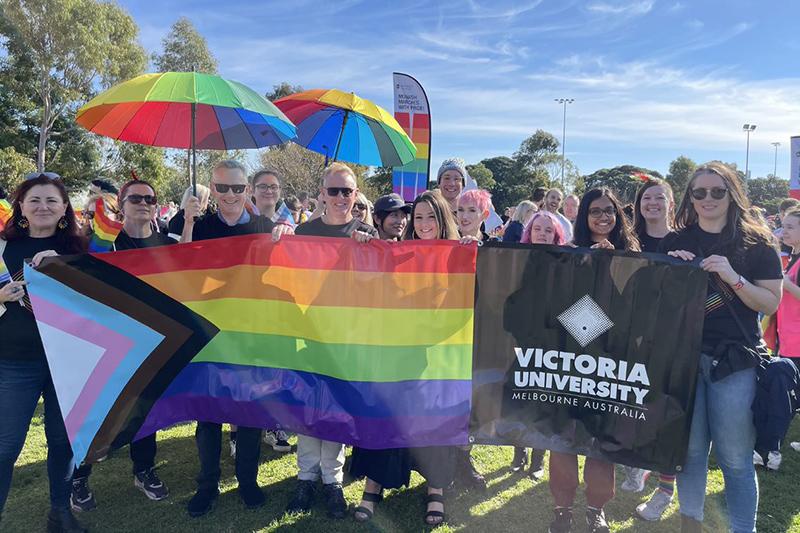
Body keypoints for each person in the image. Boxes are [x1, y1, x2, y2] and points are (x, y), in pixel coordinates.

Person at [660, 162, 782, 533]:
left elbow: (770, 303)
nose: (708, 198)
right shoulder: (676, 242)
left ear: (732, 195)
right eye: (700, 192)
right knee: (691, 454)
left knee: (735, 458)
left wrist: (733, 277)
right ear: (690, 198)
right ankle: (690, 525)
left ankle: (743, 529)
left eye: (718, 191)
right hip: (685, 359)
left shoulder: (757, 244)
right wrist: (667, 271)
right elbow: (656, 302)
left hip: (736, 361)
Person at [349, 190, 459, 527]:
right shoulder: (399, 252)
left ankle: (435, 491)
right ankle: (372, 487)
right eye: (419, 217)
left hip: (439, 351)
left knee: (434, 420)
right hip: (397, 351)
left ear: (443, 220)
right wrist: (364, 241)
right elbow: (370, 285)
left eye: (431, 217)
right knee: (387, 415)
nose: (424, 224)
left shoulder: (458, 254)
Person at [70, 180, 175, 513]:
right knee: (97, 412)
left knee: (144, 410)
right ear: (122, 203)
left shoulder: (166, 243)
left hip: (153, 340)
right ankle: (79, 476)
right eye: (136, 198)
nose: (143, 202)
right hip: (107, 341)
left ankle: (144, 470)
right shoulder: (104, 241)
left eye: (149, 198)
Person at [181, 160, 278, 517]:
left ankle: (247, 481)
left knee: (249, 412)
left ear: (247, 190)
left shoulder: (263, 226)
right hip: (210, 332)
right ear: (213, 188)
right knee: (208, 415)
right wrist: (188, 221)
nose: (231, 195)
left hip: (250, 333)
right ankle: (206, 485)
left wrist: (285, 231)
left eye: (238, 188)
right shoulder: (200, 225)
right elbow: (183, 265)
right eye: (223, 188)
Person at [281, 163, 378, 520]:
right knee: (308, 409)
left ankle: (332, 481)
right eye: (333, 191)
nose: (340, 198)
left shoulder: (366, 232)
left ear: (356, 195)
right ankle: (305, 477)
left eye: (347, 191)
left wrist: (370, 251)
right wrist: (281, 230)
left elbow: (378, 287)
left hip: (347, 338)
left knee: (334, 410)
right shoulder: (304, 232)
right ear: (321, 194)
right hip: (308, 333)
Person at [0, 173, 88, 533]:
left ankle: (60, 514)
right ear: (20, 206)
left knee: (62, 441)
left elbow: (97, 307)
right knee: (5, 446)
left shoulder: (79, 251)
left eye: (52, 200)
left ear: (65, 208)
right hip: (13, 363)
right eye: (34, 200)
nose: (43, 207)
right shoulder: (2, 250)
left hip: (66, 364)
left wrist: (65, 270)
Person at [548, 190, 639, 533]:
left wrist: (612, 265)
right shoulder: (571, 255)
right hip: (572, 359)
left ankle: (595, 509)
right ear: (583, 217)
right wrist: (586, 265)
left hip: (613, 362)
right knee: (564, 436)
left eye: (609, 211)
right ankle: (561, 509)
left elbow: (633, 307)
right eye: (594, 211)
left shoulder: (634, 256)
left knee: (602, 439)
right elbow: (559, 306)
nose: (603, 217)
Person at [620, 178, 679, 520]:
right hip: (629, 335)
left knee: (666, 410)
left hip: (671, 339)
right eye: (646, 198)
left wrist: (687, 261)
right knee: (629, 401)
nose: (652, 203)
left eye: (660, 197)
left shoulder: (683, 240)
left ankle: (665, 487)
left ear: (670, 204)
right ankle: (635, 462)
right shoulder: (628, 238)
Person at [510, 210, 567, 480]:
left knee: (545, 401)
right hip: (522, 341)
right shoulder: (516, 260)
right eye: (537, 229)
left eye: (548, 230)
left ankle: (538, 459)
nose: (542, 234)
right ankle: (519, 452)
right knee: (521, 399)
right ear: (529, 232)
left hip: (553, 345)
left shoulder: (566, 263)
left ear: (556, 236)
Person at [572, 187, 640, 251]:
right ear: (584, 215)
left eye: (609, 210)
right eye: (595, 212)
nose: (604, 217)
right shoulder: (573, 250)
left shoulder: (629, 248)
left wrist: (613, 256)